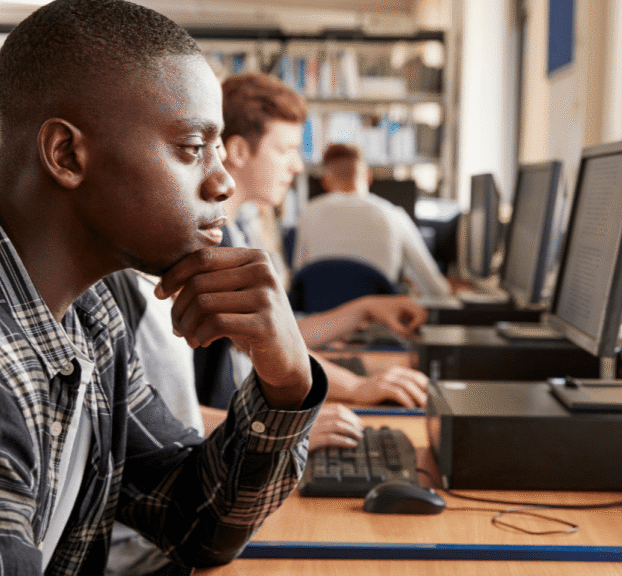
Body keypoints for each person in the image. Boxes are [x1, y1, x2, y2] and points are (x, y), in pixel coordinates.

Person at [0, 2, 327, 575]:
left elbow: (195, 522)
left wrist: (287, 380)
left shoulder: (88, 315)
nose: (222, 182)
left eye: (219, 151)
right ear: (67, 154)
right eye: (192, 148)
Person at [103, 268, 364, 575]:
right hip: (137, 552)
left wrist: (284, 398)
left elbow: (192, 511)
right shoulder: (112, 294)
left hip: (170, 530)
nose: (220, 220)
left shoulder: (116, 300)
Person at [217, 72, 431, 411]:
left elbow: (276, 336)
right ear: (239, 151)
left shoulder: (235, 230)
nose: (298, 166)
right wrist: (359, 387)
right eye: (285, 150)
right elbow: (262, 348)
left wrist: (364, 308)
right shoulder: (213, 245)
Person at [294, 141, 452, 298]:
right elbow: (436, 288)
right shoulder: (394, 215)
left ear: (324, 183)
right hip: (379, 320)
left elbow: (299, 274)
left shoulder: (308, 213)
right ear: (368, 177)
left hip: (322, 320)